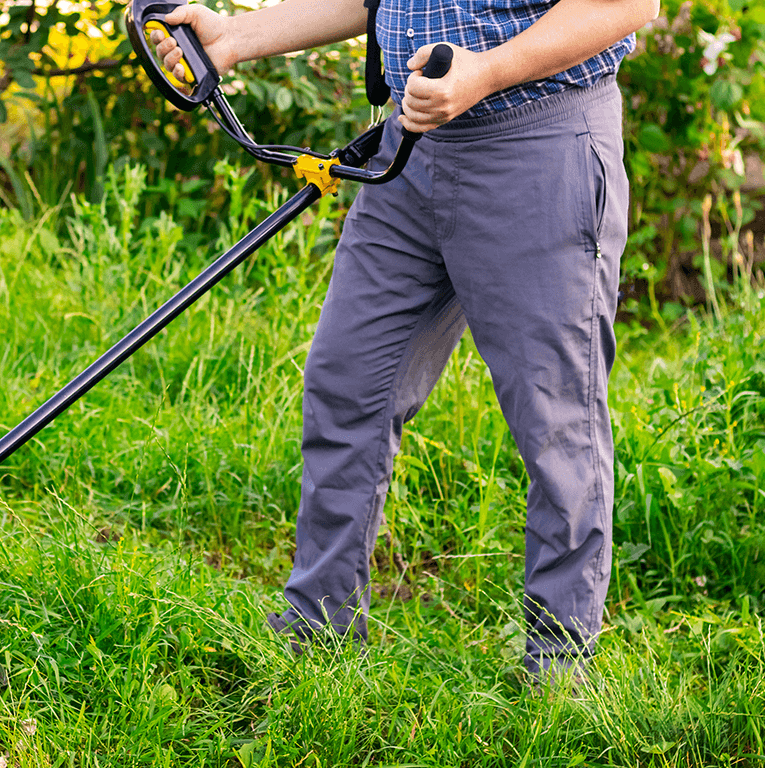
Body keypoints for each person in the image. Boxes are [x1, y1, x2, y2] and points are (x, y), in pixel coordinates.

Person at [153, 0, 660, 681]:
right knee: (348, 381)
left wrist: (486, 72)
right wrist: (237, 37)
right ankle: (317, 629)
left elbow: (629, 2)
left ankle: (558, 672)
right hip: (412, 155)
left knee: (555, 421)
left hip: (539, 147)